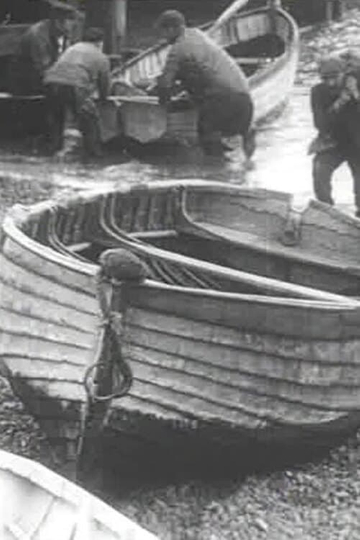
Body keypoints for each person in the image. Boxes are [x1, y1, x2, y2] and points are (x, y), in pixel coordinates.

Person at [155, 10, 255, 158]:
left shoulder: (178, 49)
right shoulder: (198, 35)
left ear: (171, 29)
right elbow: (198, 71)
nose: (162, 38)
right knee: (240, 135)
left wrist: (163, 106)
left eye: (163, 32)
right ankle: (247, 165)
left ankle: (215, 171)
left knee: (207, 137)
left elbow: (164, 84)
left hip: (221, 100)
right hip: (244, 97)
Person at [43, 26, 111, 158]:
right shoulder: (101, 56)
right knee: (90, 119)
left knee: (57, 118)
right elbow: (104, 84)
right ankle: (94, 153)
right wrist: (103, 99)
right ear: (100, 42)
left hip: (50, 81)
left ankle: (52, 149)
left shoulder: (72, 49)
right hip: (74, 85)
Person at [309, 55, 360, 217]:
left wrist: (355, 94)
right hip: (332, 142)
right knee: (319, 171)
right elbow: (320, 124)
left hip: (357, 142)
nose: (330, 82)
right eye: (325, 79)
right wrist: (340, 102)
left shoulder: (355, 83)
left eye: (334, 78)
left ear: (344, 74)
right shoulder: (317, 92)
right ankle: (327, 211)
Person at [10, 1, 77, 95]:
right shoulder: (37, 35)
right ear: (57, 22)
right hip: (26, 82)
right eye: (69, 22)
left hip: (47, 78)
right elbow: (42, 70)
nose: (70, 31)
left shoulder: (63, 33)